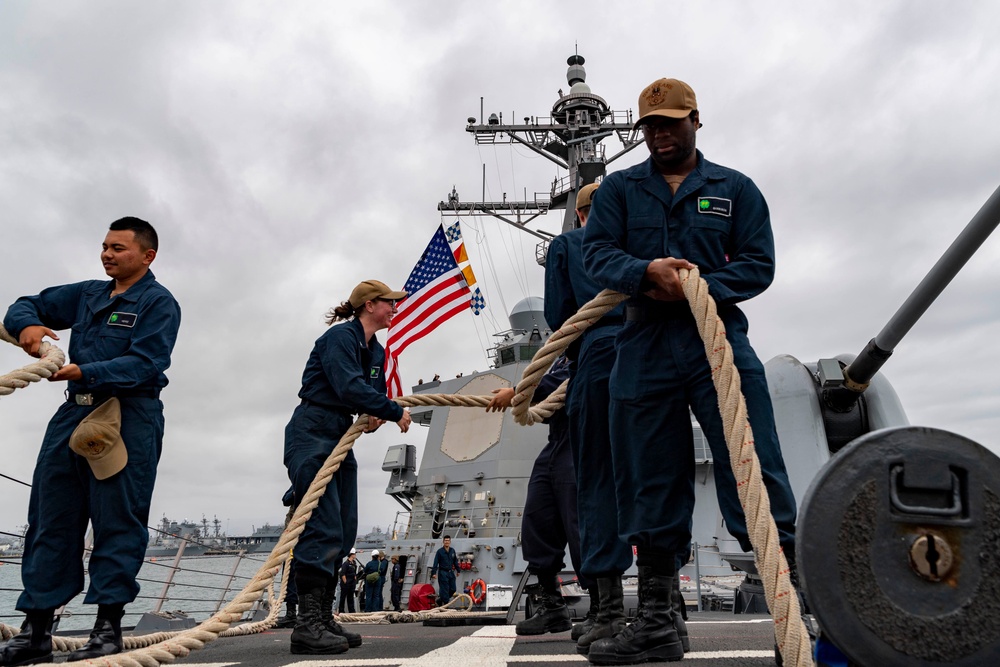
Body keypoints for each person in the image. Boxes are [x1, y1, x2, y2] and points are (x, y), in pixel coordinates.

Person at [582, 78, 799, 664]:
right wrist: (645, 272)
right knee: (647, 479)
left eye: (671, 123)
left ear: (696, 120)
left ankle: (798, 619)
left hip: (717, 343)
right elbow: (595, 253)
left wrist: (696, 285)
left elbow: (759, 264)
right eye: (650, 125)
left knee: (753, 465)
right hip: (643, 346)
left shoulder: (734, 188)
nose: (660, 134)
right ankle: (656, 622)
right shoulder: (619, 192)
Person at [0, 217, 181, 665]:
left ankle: (107, 627)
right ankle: (36, 629)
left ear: (147, 255)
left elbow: (147, 361)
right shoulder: (88, 294)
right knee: (49, 516)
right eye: (104, 246)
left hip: (129, 414)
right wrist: (28, 328)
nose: (107, 254)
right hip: (73, 412)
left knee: (117, 517)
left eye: (118, 248)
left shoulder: (159, 302)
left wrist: (87, 370)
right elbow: (26, 304)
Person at [283, 280, 412, 655]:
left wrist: (372, 413)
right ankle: (306, 626)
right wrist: (389, 410)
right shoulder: (339, 338)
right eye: (390, 303)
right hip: (312, 431)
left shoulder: (377, 351)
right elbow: (348, 386)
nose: (394, 308)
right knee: (320, 525)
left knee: (343, 529)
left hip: (339, 434)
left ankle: (323, 618)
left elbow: (362, 395)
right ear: (370, 305)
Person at [487, 356, 591, 637]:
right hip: (556, 442)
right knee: (537, 519)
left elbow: (567, 382)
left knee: (581, 525)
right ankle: (552, 607)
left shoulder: (588, 346)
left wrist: (517, 392)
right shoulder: (557, 357)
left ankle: (603, 609)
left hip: (582, 438)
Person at [429, 536, 458, 606]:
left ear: (450, 542)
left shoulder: (452, 551)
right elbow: (435, 562)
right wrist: (434, 573)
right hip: (443, 572)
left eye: (448, 540)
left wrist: (458, 570)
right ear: (443, 542)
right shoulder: (440, 552)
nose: (447, 542)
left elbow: (455, 561)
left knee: (453, 589)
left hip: (450, 572)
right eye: (445, 540)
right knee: (445, 589)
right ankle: (445, 605)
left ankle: (440, 600)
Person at [338, 549, 358, 614]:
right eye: (354, 554)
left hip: (352, 583)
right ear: (351, 555)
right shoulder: (346, 564)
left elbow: (354, 572)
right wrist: (345, 582)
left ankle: (351, 610)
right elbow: (342, 573)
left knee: (351, 597)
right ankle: (341, 610)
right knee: (343, 597)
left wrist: (354, 579)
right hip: (346, 583)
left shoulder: (354, 563)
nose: (355, 555)